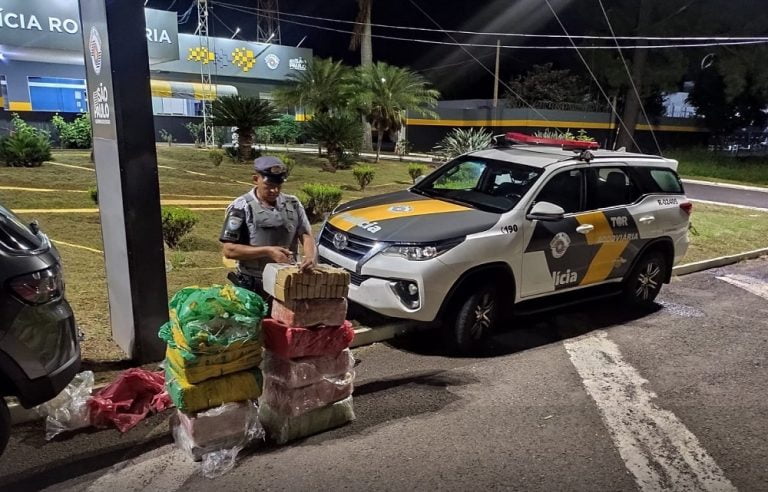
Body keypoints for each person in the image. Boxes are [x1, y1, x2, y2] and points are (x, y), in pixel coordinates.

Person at [220, 155, 316, 299]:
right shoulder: (241, 207)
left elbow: (306, 234)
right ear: (255, 179)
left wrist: (309, 257)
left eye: (278, 186)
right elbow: (229, 250)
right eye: (269, 186)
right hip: (254, 284)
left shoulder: (293, 204)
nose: (274, 191)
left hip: (288, 280)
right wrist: (267, 251)